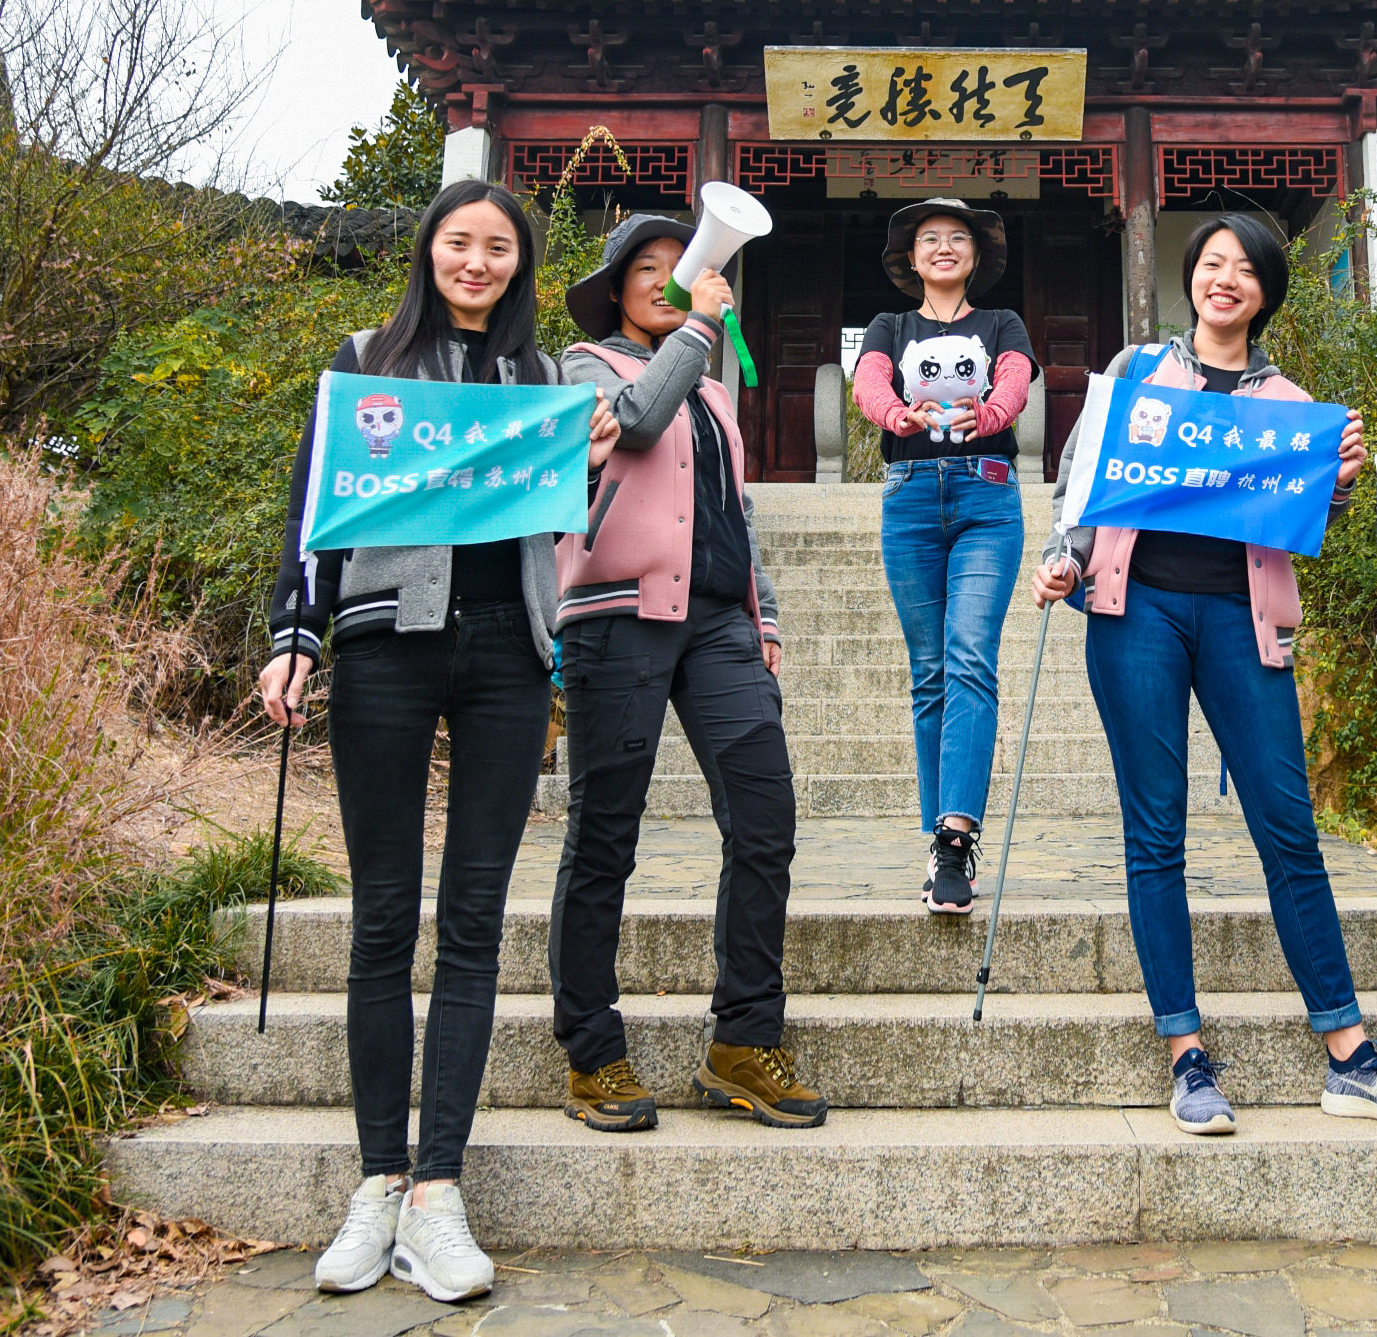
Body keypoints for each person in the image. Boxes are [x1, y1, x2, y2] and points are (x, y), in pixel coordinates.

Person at [259, 179, 622, 1305]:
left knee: (473, 921)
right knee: (383, 918)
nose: (477, 262)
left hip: (508, 654)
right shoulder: (369, 360)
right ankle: (377, 1177)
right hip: (386, 645)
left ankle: (437, 1191)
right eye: (459, 243)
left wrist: (591, 459)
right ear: (428, 251)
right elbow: (316, 508)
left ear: (521, 265)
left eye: (498, 248)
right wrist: (294, 636)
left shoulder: (545, 378)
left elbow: (567, 521)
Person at [1032, 210, 1377, 1137]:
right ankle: (1186, 1054)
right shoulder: (1137, 372)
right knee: (1156, 833)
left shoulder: (1294, 405)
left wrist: (1338, 482)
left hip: (1241, 622)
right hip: (1133, 613)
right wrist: (1063, 558)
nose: (1225, 279)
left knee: (1289, 830)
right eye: (1212, 262)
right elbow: (1082, 483)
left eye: (1245, 269)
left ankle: (1350, 1054)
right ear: (1192, 276)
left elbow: (1308, 521)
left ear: (1265, 293)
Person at [544, 212, 828, 1132]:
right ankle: (592, 1051)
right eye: (652, 270)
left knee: (765, 821)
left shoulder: (711, 393)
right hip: (614, 618)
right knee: (605, 837)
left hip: (718, 626)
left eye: (688, 268)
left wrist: (763, 611)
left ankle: (744, 1039)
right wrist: (700, 326)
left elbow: (731, 508)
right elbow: (633, 424)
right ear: (616, 290)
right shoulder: (582, 366)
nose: (672, 282)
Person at [849, 198, 1037, 913]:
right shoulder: (889, 326)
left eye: (958, 238)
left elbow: (1014, 380)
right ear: (911, 257)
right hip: (910, 498)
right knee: (929, 674)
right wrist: (895, 414)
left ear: (977, 256)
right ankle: (940, 844)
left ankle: (957, 840)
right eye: (930, 239)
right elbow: (870, 381)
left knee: (969, 658)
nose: (944, 247)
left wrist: (988, 414)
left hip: (987, 496)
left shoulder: (1003, 323)